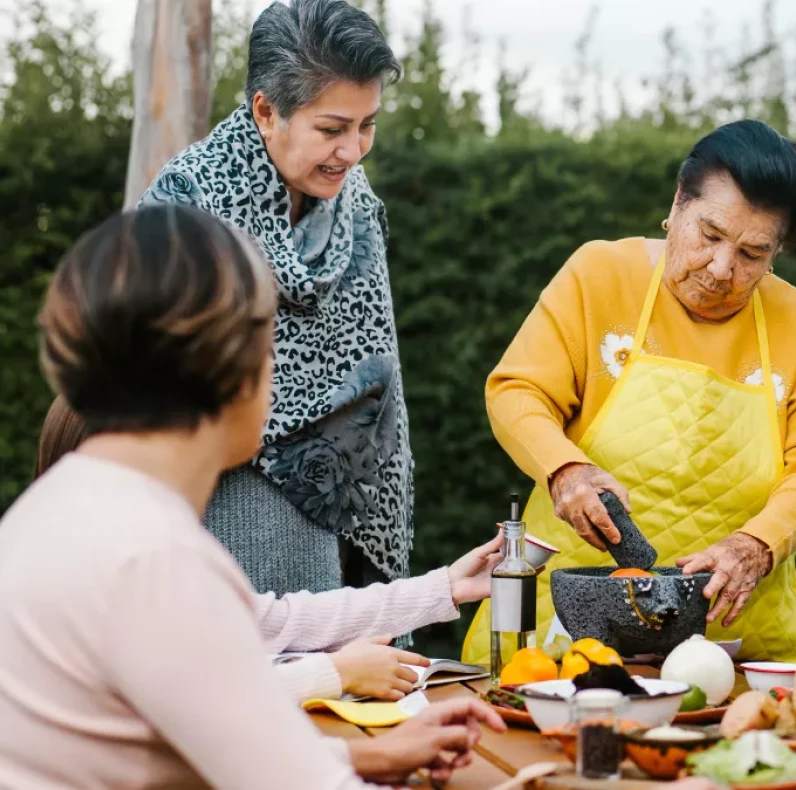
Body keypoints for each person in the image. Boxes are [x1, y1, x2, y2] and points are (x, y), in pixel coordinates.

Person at [0, 205, 505, 788]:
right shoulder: (154, 558)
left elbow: (266, 632)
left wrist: (440, 592)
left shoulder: (60, 511)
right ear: (229, 368)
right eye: (269, 346)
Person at [465, 119, 796, 664]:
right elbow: (517, 391)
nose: (721, 268)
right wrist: (565, 469)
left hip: (731, 645)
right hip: (566, 633)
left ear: (777, 253)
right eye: (709, 236)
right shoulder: (600, 275)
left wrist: (757, 545)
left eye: (752, 254)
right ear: (678, 203)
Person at [138, 0, 411, 594]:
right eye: (332, 129)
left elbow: (377, 369)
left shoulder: (355, 204)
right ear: (266, 111)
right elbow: (147, 393)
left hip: (346, 519)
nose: (353, 151)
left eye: (367, 125)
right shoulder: (186, 206)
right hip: (217, 514)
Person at [32, 395, 505, 704]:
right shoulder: (81, 590)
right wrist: (336, 673)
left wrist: (446, 587)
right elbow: (191, 707)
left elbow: (283, 620)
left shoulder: (137, 571)